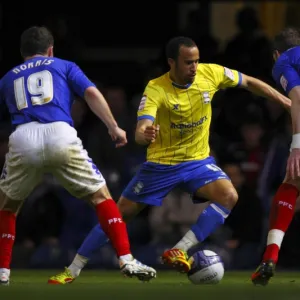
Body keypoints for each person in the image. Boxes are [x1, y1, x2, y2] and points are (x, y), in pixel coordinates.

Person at [49, 36, 291, 284]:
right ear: (171, 63)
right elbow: (141, 129)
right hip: (161, 166)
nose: (194, 68)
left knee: (229, 195)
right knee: (118, 215)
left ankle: (180, 249)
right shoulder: (156, 88)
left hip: (197, 162)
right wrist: (145, 133)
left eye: (196, 61)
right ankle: (73, 269)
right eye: (188, 63)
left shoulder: (211, 74)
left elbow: (248, 82)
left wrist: (284, 101)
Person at [0, 26, 156, 286]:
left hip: (23, 137)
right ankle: (126, 258)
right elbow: (91, 93)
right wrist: (113, 126)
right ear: (50, 50)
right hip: (60, 133)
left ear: (22, 53)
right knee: (101, 197)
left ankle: (3, 272)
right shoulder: (63, 65)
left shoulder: (7, 78)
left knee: (7, 207)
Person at [251, 27, 300, 286]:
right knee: (292, 184)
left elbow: (297, 98)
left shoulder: (284, 62)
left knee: (291, 183)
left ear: (275, 54)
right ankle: (269, 258)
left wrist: (297, 147)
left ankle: (270, 256)